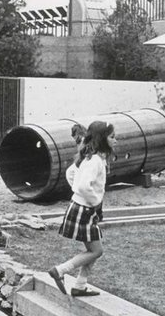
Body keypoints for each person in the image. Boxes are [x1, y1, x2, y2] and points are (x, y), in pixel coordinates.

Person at [48, 120, 116, 297]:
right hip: (85, 210)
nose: (116, 141)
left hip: (80, 207)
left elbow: (71, 174)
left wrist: (77, 193)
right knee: (96, 251)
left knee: (94, 251)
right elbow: (85, 186)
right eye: (112, 137)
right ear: (102, 139)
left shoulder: (91, 157)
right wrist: (94, 201)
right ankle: (60, 270)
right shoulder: (95, 161)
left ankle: (80, 285)